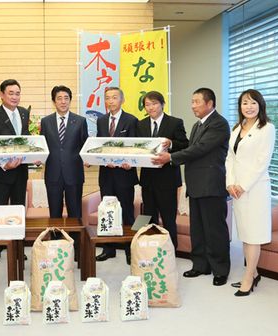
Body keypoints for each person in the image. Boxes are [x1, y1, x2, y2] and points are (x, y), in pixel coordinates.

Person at [153, 87, 230, 286]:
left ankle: (220, 269)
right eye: (192, 101)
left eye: (196, 101)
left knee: (214, 229)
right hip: (196, 184)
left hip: (211, 184)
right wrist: (170, 148)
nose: (192, 105)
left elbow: (200, 149)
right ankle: (200, 265)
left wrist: (170, 158)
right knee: (198, 228)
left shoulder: (219, 124)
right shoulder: (198, 125)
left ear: (209, 103)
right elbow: (189, 148)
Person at [226, 89, 275, 296]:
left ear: (260, 105)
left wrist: (243, 185)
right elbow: (230, 158)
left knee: (253, 235)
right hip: (236, 190)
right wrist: (230, 184)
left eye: (253, 103)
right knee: (245, 234)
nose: (249, 106)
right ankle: (253, 272)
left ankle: (248, 278)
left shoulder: (267, 128)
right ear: (240, 107)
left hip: (254, 189)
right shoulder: (237, 127)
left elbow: (262, 162)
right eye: (245, 103)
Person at [0, 79, 30, 264]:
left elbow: (25, 140)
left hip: (20, 173)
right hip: (1, 174)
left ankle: (19, 248)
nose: (15, 97)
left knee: (19, 210)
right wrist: (4, 165)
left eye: (17, 93)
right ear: (2, 94)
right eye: (11, 93)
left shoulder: (25, 113)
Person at [136, 91, 189, 249]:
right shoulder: (141, 124)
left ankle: (171, 250)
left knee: (168, 218)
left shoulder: (175, 122)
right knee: (148, 217)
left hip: (168, 179)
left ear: (162, 104)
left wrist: (171, 143)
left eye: (154, 103)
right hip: (148, 179)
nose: (151, 107)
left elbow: (185, 145)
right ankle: (151, 248)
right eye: (147, 104)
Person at [95, 87, 138, 263]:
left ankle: (130, 249)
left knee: (127, 212)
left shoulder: (131, 120)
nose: (111, 101)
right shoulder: (102, 121)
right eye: (107, 98)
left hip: (124, 175)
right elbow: (100, 144)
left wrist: (129, 162)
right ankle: (108, 249)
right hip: (106, 174)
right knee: (107, 212)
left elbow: (135, 147)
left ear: (122, 100)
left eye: (114, 97)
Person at [40, 85, 88, 218]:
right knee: (54, 214)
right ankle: (56, 238)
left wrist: (89, 159)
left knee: (75, 213)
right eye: (59, 98)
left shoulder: (80, 121)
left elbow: (85, 146)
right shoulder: (45, 122)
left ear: (70, 100)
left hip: (74, 174)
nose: (63, 101)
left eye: (66, 98)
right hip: (53, 174)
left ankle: (75, 239)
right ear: (54, 101)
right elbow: (42, 146)